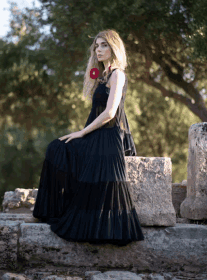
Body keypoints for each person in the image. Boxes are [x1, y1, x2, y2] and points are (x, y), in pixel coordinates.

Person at [33, 29, 145, 246]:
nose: (99, 49)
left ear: (114, 48)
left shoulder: (117, 75)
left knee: (61, 148)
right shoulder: (103, 75)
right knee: (56, 148)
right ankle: (54, 210)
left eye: (104, 45)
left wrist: (82, 133)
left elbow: (111, 113)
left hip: (108, 138)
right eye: (96, 46)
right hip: (95, 136)